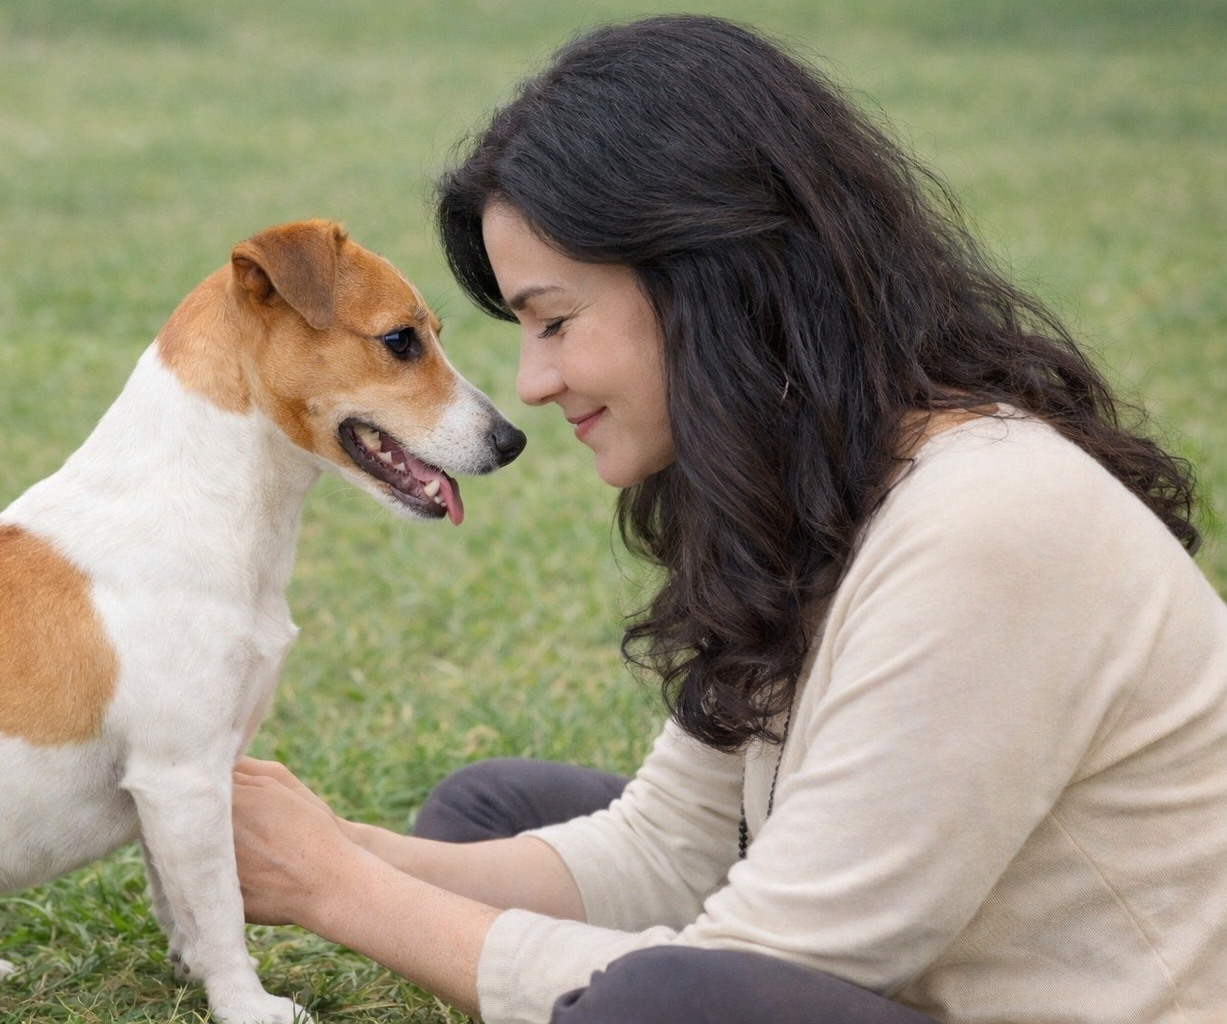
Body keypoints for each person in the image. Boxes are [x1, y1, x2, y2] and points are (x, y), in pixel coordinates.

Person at [231, 15, 1227, 1024]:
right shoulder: (821, 476)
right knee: (486, 811)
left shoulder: (989, 524)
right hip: (886, 969)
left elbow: (747, 972)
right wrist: (328, 846)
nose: (532, 382)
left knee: (660, 998)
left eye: (556, 321)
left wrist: (335, 889)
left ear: (707, 278)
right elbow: (665, 847)